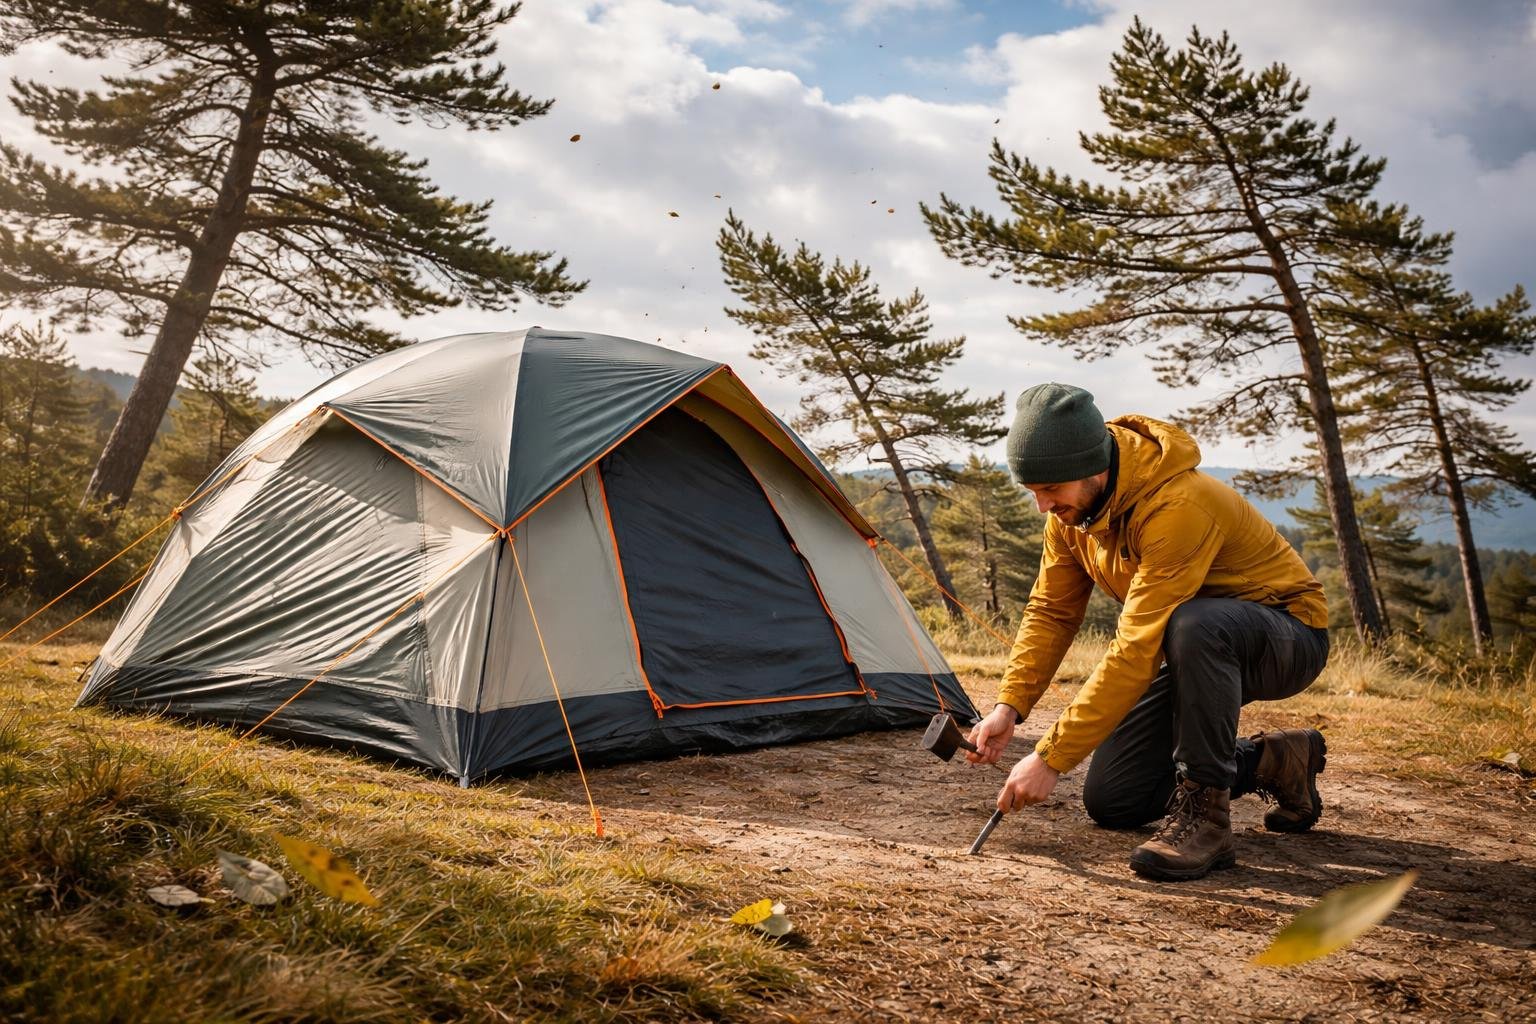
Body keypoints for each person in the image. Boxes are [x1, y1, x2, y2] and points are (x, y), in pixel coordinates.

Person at [965, 383, 1331, 881]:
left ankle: (1206, 820)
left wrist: (1050, 757)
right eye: (1033, 491)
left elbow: (1135, 647)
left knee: (1196, 622)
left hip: (1286, 636)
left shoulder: (1179, 506)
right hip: (1191, 647)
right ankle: (1275, 759)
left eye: (1050, 490)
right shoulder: (1071, 517)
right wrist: (1009, 707)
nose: (1041, 506)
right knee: (1115, 799)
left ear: (1093, 467)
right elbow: (1051, 611)